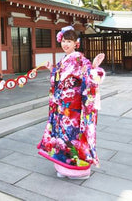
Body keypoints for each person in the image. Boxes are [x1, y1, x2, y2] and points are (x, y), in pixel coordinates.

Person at [37, 26, 105, 179]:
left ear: (76, 43)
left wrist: (94, 68)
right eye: (63, 41)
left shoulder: (80, 59)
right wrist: (52, 70)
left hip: (74, 108)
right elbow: (59, 80)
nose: (65, 44)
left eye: (69, 41)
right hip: (62, 107)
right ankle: (63, 167)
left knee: (72, 135)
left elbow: (90, 75)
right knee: (61, 136)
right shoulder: (64, 60)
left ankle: (77, 170)